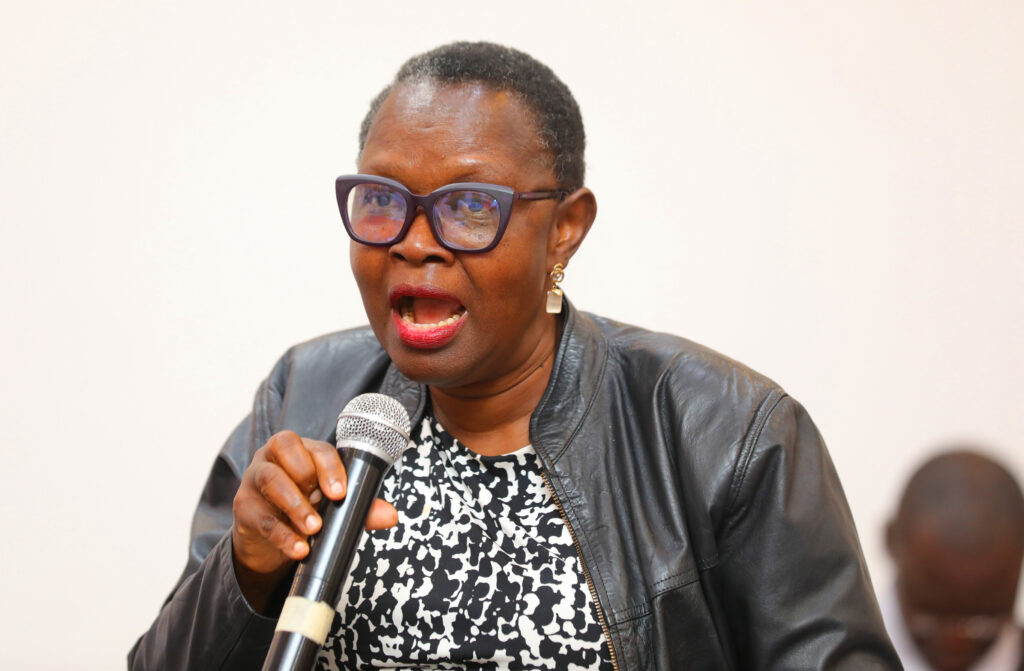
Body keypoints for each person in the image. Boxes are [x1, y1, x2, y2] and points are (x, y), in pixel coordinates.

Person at [129, 42, 899, 670]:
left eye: (469, 206)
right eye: (383, 199)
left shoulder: (730, 431)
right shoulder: (305, 392)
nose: (414, 242)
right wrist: (248, 567)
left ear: (564, 228)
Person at [881, 449, 1024, 671]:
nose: (955, 642)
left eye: (984, 619)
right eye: (928, 614)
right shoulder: (828, 660)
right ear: (891, 541)